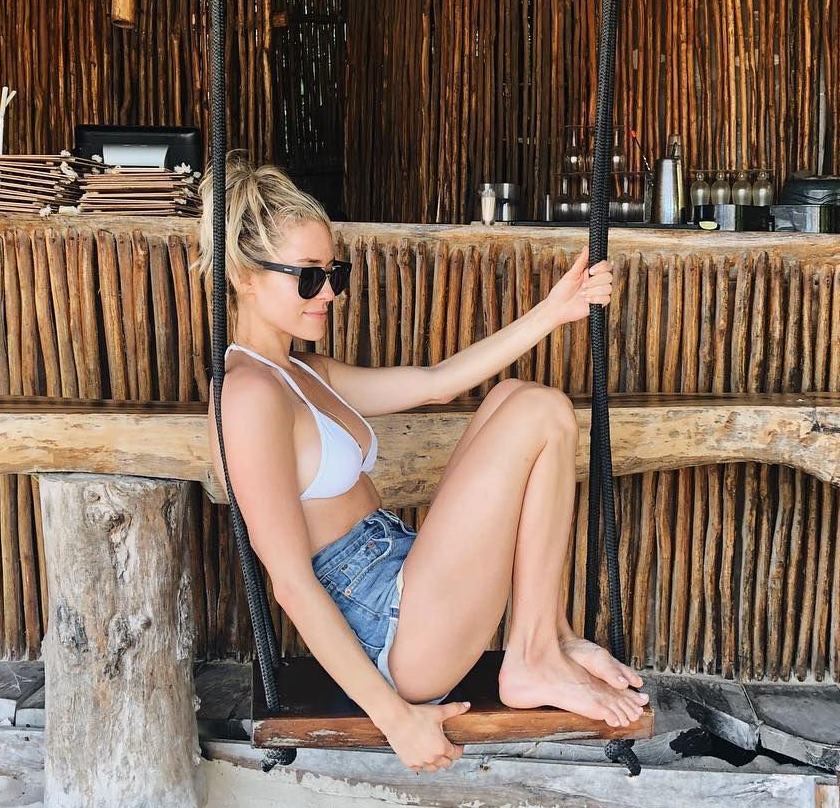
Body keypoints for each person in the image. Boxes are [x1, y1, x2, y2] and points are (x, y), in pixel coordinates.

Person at [195, 152, 648, 774]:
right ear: (244, 277)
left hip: (401, 573)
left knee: (514, 397)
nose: (328, 293)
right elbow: (291, 584)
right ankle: (534, 656)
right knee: (540, 411)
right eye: (307, 278)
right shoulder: (249, 395)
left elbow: (437, 382)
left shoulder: (302, 371)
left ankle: (550, 638)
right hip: (389, 631)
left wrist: (554, 311)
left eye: (334, 274)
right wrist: (395, 719)